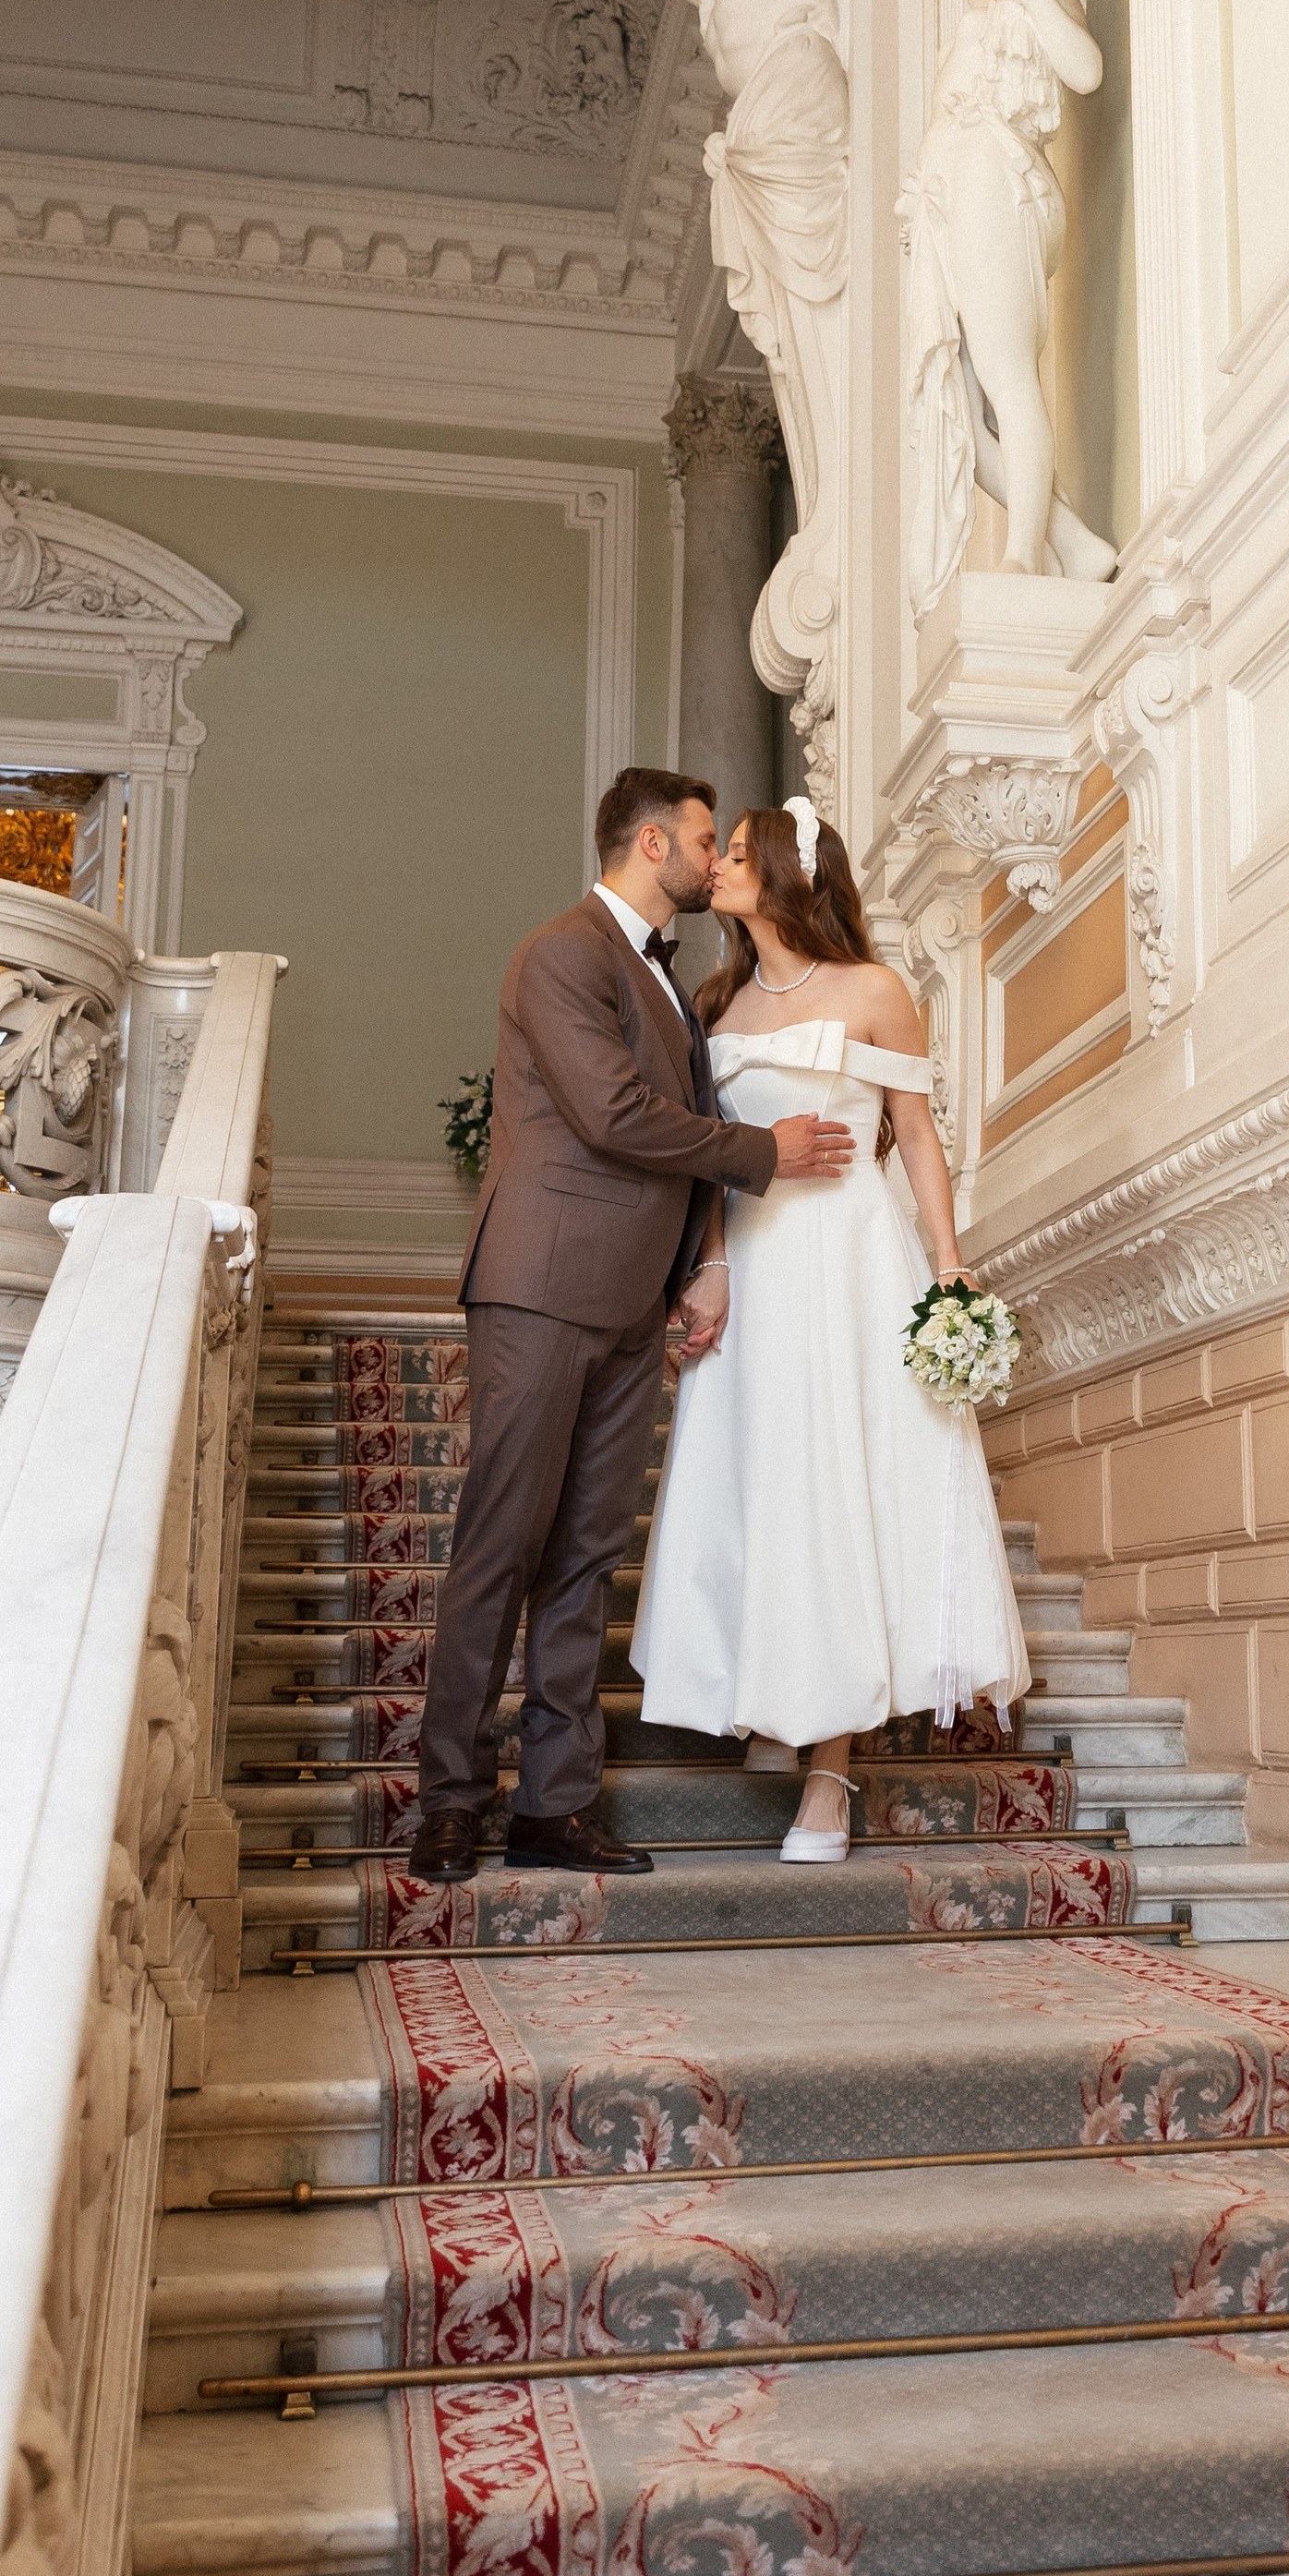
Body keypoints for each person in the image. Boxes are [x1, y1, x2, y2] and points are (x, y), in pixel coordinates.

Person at [407, 769, 858, 1885]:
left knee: (584, 1558)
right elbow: (612, 1113)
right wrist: (765, 1155)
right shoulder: (563, 951)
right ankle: (452, 1800)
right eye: (705, 840)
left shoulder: (672, 979)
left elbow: (683, 1119)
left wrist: (700, 1261)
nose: (717, 860)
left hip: (629, 1300)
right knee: (503, 1544)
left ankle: (552, 1808)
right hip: (544, 1282)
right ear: (651, 844)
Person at [629, 795, 1030, 1861]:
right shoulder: (712, 999)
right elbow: (707, 1151)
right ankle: (774, 1696)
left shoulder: (875, 991)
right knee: (764, 1488)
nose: (719, 867)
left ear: (792, 875)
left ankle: (832, 1772)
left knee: (839, 1490)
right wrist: (707, 1266)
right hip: (753, 1266)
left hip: (849, 1261)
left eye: (741, 854)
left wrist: (946, 1264)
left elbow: (916, 1132)